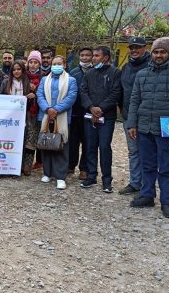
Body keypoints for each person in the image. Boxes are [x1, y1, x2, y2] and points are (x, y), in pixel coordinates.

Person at [127, 37, 169, 219]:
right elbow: (134, 100)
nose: (158, 55)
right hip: (144, 128)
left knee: (165, 167)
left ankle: (167, 202)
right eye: (156, 52)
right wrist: (131, 124)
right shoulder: (142, 74)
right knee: (147, 165)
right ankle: (147, 195)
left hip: (167, 130)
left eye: (162, 52)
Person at [80, 46, 121, 193]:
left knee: (104, 147)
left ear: (106, 58)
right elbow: (83, 91)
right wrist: (91, 107)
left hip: (107, 117)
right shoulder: (89, 73)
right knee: (90, 146)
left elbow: (116, 93)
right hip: (89, 116)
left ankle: (107, 180)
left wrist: (101, 108)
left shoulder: (115, 72)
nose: (93, 58)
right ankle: (91, 176)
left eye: (97, 56)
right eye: (94, 56)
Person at [37, 55, 78, 189]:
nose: (56, 66)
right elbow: (40, 95)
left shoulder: (71, 80)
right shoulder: (44, 80)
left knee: (61, 145)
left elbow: (71, 97)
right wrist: (47, 109)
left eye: (59, 63)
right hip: (45, 116)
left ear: (64, 65)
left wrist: (56, 109)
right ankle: (47, 173)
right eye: (54, 64)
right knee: (47, 143)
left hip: (63, 117)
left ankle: (60, 176)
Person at [118, 37, 151, 195]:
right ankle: (135, 182)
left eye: (138, 47)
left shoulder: (152, 66)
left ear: (145, 47)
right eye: (132, 47)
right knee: (133, 151)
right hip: (129, 116)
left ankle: (147, 184)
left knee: (147, 151)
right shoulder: (126, 67)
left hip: (147, 116)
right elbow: (122, 90)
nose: (134, 50)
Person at [0, 61, 36, 176]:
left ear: (23, 71)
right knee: (6, 142)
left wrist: (32, 96)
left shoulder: (28, 84)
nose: (16, 72)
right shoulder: (6, 82)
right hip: (8, 119)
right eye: (14, 70)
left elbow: (31, 105)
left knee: (20, 142)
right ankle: (4, 167)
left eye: (19, 69)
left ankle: (17, 168)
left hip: (23, 118)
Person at [68, 47, 93, 180]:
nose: (84, 58)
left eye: (87, 55)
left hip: (89, 112)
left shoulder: (95, 72)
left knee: (88, 142)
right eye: (82, 55)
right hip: (75, 112)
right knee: (73, 141)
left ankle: (84, 168)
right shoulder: (73, 72)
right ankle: (70, 165)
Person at [26, 51, 44, 170]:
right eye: (31, 62)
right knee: (28, 138)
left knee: (37, 137)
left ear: (39, 64)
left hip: (39, 111)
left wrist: (36, 92)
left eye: (35, 62)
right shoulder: (23, 75)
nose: (33, 65)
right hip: (26, 112)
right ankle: (26, 164)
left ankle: (40, 162)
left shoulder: (44, 77)